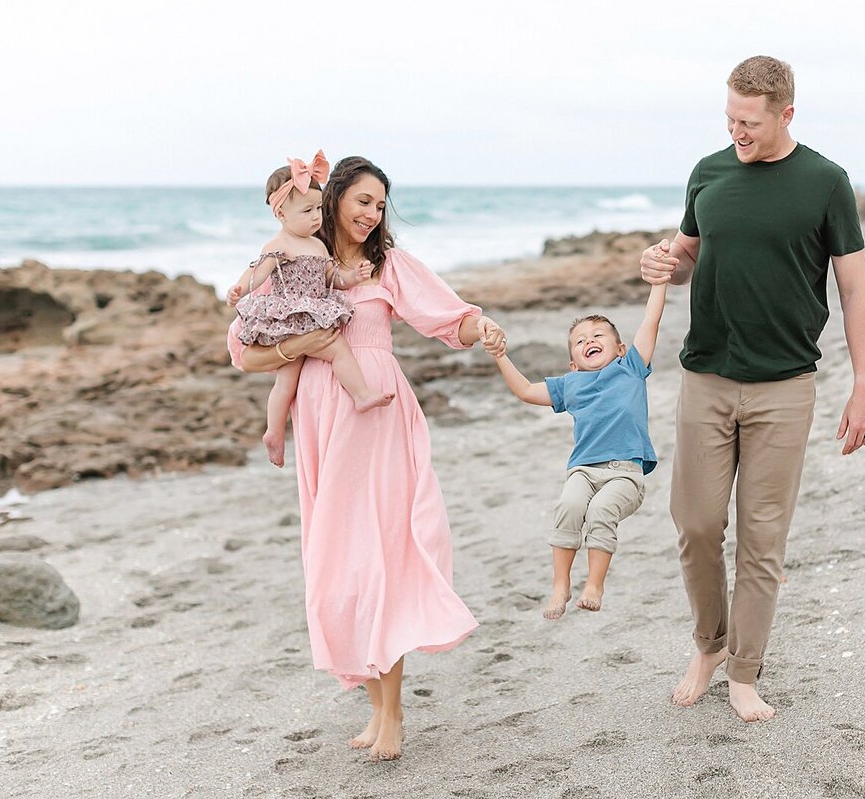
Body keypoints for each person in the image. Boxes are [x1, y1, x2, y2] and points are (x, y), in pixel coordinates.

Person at [226, 155, 505, 761]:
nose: (371, 213)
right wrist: (305, 345)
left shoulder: (389, 265)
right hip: (323, 419)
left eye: (380, 204)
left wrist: (479, 329)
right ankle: (375, 703)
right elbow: (243, 351)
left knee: (382, 559)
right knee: (341, 564)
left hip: (377, 416)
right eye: (362, 200)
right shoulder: (301, 261)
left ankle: (392, 712)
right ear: (333, 201)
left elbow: (446, 319)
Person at [639, 56, 865, 722]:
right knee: (694, 523)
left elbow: (854, 287)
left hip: (784, 386)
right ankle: (709, 645)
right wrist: (664, 260)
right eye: (730, 119)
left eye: (749, 122)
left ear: (785, 115)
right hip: (706, 376)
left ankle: (744, 670)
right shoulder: (708, 173)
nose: (737, 132)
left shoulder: (825, 182)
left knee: (761, 539)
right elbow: (688, 255)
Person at [485, 281, 666, 620]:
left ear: (621, 348)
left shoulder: (630, 368)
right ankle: (560, 585)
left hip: (625, 474)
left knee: (600, 512)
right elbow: (525, 390)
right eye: (580, 341)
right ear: (572, 364)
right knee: (568, 505)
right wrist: (499, 355)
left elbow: (651, 320)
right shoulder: (570, 385)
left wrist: (659, 283)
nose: (590, 341)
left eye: (598, 336)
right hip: (583, 471)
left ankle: (594, 584)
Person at [227, 151, 394, 467]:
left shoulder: (318, 245)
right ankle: (274, 431)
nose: (316, 217)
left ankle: (360, 395)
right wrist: (239, 288)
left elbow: (332, 278)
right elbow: (258, 272)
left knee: (338, 349)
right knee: (286, 380)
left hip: (316, 313)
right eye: (307, 211)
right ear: (282, 215)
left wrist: (352, 277)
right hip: (291, 317)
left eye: (318, 208)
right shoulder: (278, 244)